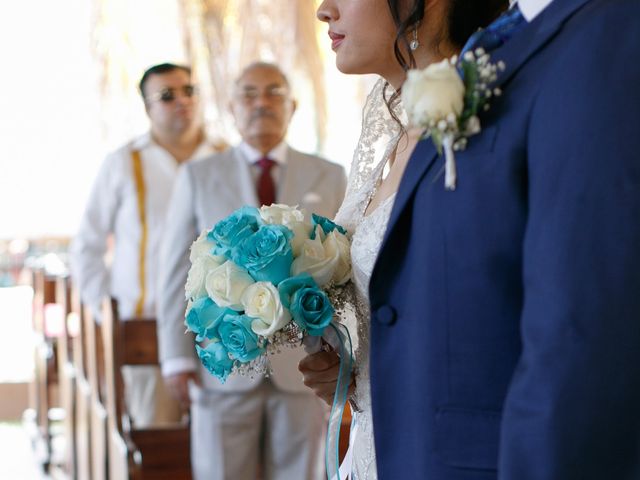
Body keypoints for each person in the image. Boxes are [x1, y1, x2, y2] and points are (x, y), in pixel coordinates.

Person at [303, 0, 640, 479]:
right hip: (387, 442)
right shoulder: (388, 125)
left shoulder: (512, 87)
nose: (323, 9)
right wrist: (355, 370)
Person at [156, 61, 347, 480]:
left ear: (292, 106)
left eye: (274, 92)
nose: (261, 102)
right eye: (248, 93)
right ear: (231, 107)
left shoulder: (330, 176)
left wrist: (343, 351)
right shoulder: (197, 175)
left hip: (305, 364)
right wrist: (175, 358)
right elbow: (174, 273)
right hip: (223, 362)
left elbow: (346, 269)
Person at [70, 62, 220, 427]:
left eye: (189, 91)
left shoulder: (226, 156)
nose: (181, 101)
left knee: (224, 444)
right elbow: (87, 244)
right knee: (156, 438)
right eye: (167, 96)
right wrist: (107, 310)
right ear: (147, 107)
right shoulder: (123, 162)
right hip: (145, 326)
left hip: (223, 327)